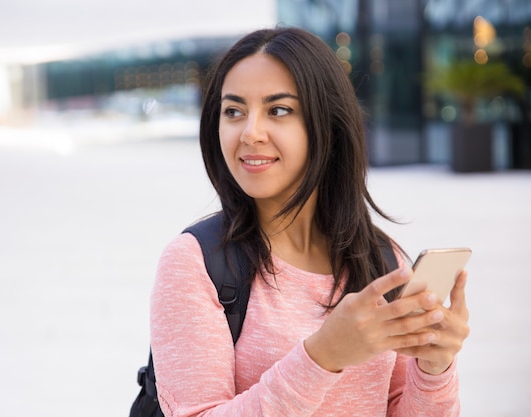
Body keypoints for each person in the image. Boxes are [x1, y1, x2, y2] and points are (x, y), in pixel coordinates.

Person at [150, 27, 469, 417]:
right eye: (233, 111)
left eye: (278, 110)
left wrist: (434, 368)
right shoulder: (195, 263)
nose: (250, 133)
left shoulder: (382, 260)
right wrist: (322, 356)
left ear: (329, 126)